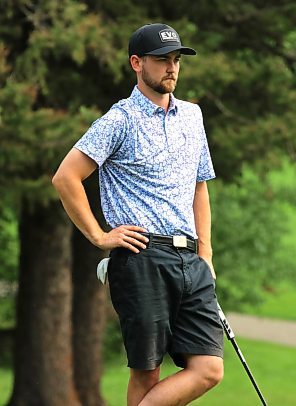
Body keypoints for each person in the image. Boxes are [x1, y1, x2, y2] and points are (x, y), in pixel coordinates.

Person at [52, 23, 224, 406]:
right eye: (162, 60)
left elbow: (200, 187)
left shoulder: (192, 117)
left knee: (209, 368)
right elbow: (66, 177)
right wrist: (99, 236)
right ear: (137, 63)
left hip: (190, 259)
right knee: (146, 371)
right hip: (142, 255)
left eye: (176, 60)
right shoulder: (120, 119)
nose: (171, 68)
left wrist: (206, 254)